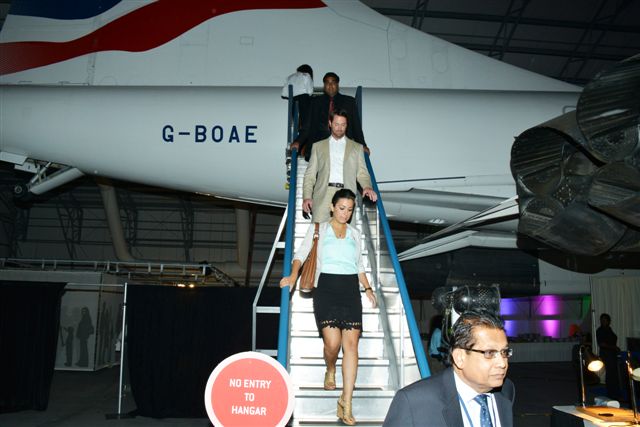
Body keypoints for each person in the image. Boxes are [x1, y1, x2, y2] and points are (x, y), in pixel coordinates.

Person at [280, 189, 377, 426]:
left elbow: (359, 265)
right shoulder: (319, 229)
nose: (345, 213)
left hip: (350, 291)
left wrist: (367, 288)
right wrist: (292, 276)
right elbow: (301, 254)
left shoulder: (354, 233)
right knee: (332, 344)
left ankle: (346, 402)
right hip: (326, 289)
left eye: (350, 210)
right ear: (332, 207)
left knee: (351, 345)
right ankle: (330, 367)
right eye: (342, 208)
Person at [383, 310, 515, 427]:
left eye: (504, 352)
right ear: (460, 357)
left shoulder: (506, 390)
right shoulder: (414, 402)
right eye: (489, 353)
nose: (502, 363)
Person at [302, 109, 377, 223]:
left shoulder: (357, 148)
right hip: (323, 195)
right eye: (336, 124)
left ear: (347, 125)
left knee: (346, 232)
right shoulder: (318, 147)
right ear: (330, 123)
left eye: (343, 124)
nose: (339, 128)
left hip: (347, 195)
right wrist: (307, 197)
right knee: (318, 231)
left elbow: (362, 173)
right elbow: (310, 175)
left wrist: (367, 186)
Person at [292, 72, 368, 161]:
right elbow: (307, 126)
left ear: (337, 84)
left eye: (333, 82)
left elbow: (356, 127)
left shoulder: (349, 102)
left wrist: (363, 145)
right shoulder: (315, 102)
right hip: (319, 148)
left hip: (342, 147)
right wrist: (298, 141)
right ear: (324, 86)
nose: (330, 85)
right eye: (327, 82)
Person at [281, 64, 314, 137]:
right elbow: (310, 91)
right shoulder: (306, 75)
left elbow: (284, 93)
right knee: (305, 120)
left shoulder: (289, 77)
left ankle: (298, 130)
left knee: (295, 119)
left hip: (293, 99)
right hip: (304, 98)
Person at [596, 313, 621, 400]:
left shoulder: (609, 329)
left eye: (605, 319)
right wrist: (614, 347)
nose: (603, 321)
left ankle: (615, 392)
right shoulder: (600, 330)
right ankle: (611, 393)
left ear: (608, 321)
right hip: (606, 354)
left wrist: (614, 348)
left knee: (614, 373)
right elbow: (601, 344)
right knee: (610, 373)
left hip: (612, 354)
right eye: (601, 320)